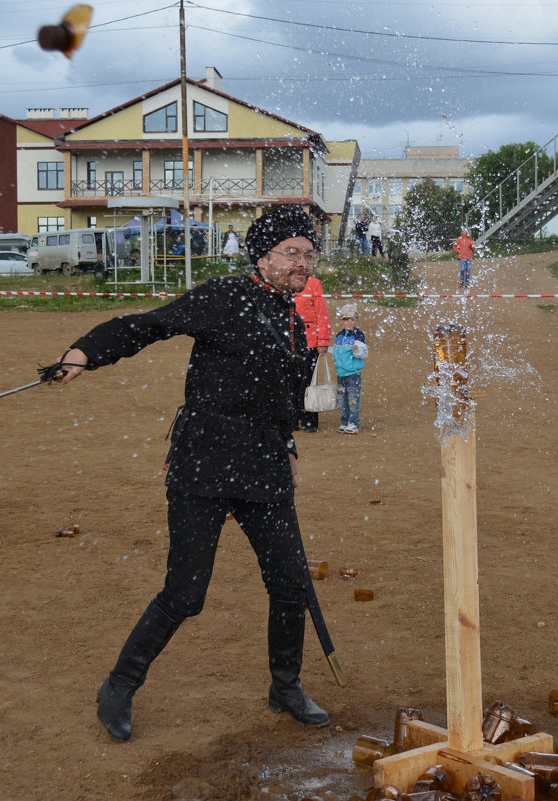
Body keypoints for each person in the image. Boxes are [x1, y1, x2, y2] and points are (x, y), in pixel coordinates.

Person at [54, 206, 329, 743]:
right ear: (263, 256)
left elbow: (282, 401)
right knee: (185, 593)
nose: (303, 262)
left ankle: (286, 686)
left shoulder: (294, 322)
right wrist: (87, 352)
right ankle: (119, 685)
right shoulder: (222, 297)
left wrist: (289, 445)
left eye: (308, 253)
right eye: (293, 253)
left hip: (264, 466)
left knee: (290, 583)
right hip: (203, 462)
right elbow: (148, 326)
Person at [294, 271, 331, 433]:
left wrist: (323, 340)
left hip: (310, 342)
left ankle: (309, 420)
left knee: (308, 383)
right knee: (290, 382)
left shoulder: (314, 283)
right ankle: (292, 419)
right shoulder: (284, 284)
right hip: (287, 343)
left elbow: (322, 314)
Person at [332, 303, 368, 434]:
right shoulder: (339, 336)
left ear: (356, 320)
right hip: (341, 375)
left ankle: (354, 423)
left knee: (353, 400)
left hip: (353, 375)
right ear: (341, 320)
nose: (349, 323)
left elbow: (364, 353)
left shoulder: (358, 336)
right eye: (346, 319)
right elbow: (338, 352)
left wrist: (357, 350)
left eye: (352, 319)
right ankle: (345, 421)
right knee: (342, 399)